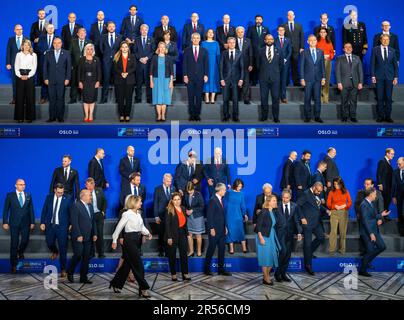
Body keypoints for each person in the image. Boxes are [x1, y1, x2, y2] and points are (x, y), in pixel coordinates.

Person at [110, 195, 152, 298]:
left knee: (127, 265)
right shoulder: (127, 214)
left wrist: (148, 233)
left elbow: (141, 227)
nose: (141, 203)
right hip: (129, 241)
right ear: (134, 203)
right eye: (140, 202)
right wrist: (115, 240)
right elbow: (118, 228)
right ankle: (143, 288)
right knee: (138, 265)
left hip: (137, 240)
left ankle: (116, 284)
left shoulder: (138, 213)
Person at [2, 179, 35, 274]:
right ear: (15, 185)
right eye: (20, 184)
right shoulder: (10, 196)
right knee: (14, 242)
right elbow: (5, 210)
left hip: (26, 223)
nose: (22, 186)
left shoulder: (28, 195)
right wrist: (5, 222)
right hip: (14, 223)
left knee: (25, 240)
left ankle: (20, 252)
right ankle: (13, 265)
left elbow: (31, 209)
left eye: (24, 184)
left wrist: (32, 222)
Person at [297, 182, 329, 275]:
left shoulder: (315, 194)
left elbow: (317, 204)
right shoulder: (306, 194)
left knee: (321, 237)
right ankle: (308, 265)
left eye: (320, 191)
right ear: (314, 187)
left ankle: (309, 252)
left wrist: (326, 210)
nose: (319, 193)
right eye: (318, 191)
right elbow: (298, 205)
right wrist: (302, 217)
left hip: (316, 222)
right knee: (307, 244)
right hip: (307, 223)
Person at [40, 183, 71, 278]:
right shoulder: (49, 197)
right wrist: (42, 222)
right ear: (55, 190)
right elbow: (44, 210)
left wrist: (71, 224)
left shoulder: (68, 198)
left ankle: (63, 269)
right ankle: (55, 251)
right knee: (49, 242)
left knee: (63, 248)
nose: (60, 194)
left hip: (62, 227)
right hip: (50, 225)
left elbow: (71, 212)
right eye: (58, 192)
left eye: (61, 193)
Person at [67, 189, 97, 284]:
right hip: (78, 236)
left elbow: (93, 221)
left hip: (88, 236)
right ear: (83, 196)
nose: (91, 197)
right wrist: (79, 234)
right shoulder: (76, 205)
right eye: (89, 195)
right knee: (78, 255)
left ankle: (83, 277)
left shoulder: (91, 206)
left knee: (86, 257)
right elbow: (74, 222)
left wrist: (95, 233)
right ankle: (70, 272)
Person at [358, 188, 389, 277]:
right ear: (371, 194)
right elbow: (365, 221)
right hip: (368, 232)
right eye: (375, 194)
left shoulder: (370, 203)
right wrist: (371, 234)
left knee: (382, 246)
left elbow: (372, 216)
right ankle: (362, 270)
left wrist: (381, 215)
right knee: (370, 250)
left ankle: (367, 261)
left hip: (374, 230)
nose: (376, 195)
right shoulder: (364, 205)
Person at [274, 189, 302, 282]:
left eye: (286, 198)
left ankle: (283, 273)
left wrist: (299, 232)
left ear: (290, 198)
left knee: (288, 254)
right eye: (283, 197)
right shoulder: (276, 205)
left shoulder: (294, 206)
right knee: (283, 252)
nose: (284, 199)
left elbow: (296, 220)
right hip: (280, 233)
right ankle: (277, 273)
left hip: (290, 233)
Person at [371, 34, 399, 123]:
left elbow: (395, 66)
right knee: (380, 98)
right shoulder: (375, 50)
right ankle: (380, 116)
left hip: (390, 78)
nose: (385, 41)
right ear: (380, 40)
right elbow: (372, 64)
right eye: (384, 39)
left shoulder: (392, 51)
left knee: (388, 98)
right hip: (378, 77)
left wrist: (396, 77)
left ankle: (388, 116)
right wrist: (373, 76)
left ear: (389, 41)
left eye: (387, 40)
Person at [204, 183, 231, 276]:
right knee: (211, 249)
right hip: (214, 230)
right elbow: (209, 216)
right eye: (224, 190)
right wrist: (211, 228)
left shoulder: (220, 200)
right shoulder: (212, 200)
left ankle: (221, 270)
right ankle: (206, 269)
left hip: (222, 230)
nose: (225, 191)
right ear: (220, 190)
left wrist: (225, 227)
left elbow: (222, 216)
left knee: (222, 250)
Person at [43, 37, 72, 123]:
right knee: (52, 99)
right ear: (53, 44)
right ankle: (52, 117)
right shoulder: (48, 53)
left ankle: (60, 117)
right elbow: (45, 67)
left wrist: (67, 78)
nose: (57, 44)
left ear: (61, 44)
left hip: (62, 80)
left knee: (60, 99)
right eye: (55, 43)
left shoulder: (66, 53)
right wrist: (45, 78)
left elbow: (68, 68)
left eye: (58, 43)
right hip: (50, 80)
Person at [165, 192, 191, 281]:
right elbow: (167, 225)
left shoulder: (183, 208)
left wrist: (187, 233)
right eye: (175, 199)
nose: (177, 201)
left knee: (184, 254)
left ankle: (185, 273)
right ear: (172, 200)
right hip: (172, 235)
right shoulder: (169, 209)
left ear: (181, 200)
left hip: (182, 234)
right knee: (172, 255)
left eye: (178, 199)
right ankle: (173, 274)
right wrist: (169, 237)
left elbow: (184, 223)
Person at [257, 34, 283, 122]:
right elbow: (258, 64)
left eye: (271, 39)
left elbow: (281, 65)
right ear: (265, 40)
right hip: (263, 78)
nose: (269, 40)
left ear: (273, 40)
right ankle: (264, 116)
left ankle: (276, 117)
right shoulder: (260, 51)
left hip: (275, 78)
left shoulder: (279, 50)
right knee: (264, 98)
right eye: (267, 39)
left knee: (275, 98)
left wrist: (275, 72)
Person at [183, 32, 209, 121]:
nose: (196, 39)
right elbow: (184, 64)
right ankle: (191, 114)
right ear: (191, 39)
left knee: (198, 97)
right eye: (194, 38)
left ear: (200, 39)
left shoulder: (204, 50)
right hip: (189, 77)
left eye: (197, 38)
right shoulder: (187, 50)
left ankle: (197, 114)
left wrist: (206, 75)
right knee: (190, 97)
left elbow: (206, 64)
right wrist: (185, 75)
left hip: (200, 77)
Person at [335, 42, 364, 122]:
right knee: (344, 101)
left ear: (352, 48)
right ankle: (344, 116)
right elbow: (337, 72)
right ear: (343, 49)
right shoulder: (339, 58)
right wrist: (339, 82)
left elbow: (360, 71)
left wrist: (361, 82)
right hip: (343, 83)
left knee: (353, 101)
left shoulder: (357, 58)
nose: (348, 48)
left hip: (355, 83)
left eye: (350, 47)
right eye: (346, 47)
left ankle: (353, 116)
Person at [300, 35, 326, 123]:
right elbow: (302, 66)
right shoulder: (304, 52)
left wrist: (323, 77)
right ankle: (307, 116)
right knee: (307, 98)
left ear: (316, 41)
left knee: (317, 99)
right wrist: (302, 78)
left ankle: (317, 116)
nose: (313, 42)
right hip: (307, 79)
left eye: (314, 40)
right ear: (308, 42)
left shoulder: (320, 52)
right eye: (311, 40)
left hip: (318, 79)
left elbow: (322, 66)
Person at [256, 195, 281, 285]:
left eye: (276, 200)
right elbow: (258, 226)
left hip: (271, 236)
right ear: (268, 202)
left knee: (272, 256)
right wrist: (261, 238)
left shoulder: (272, 211)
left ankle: (265, 277)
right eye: (274, 201)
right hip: (263, 236)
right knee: (265, 258)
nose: (275, 202)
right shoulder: (264, 211)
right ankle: (266, 278)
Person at [119, 173, 146, 255]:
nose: (139, 181)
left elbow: (143, 198)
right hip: (129, 212)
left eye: (140, 180)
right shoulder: (125, 188)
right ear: (132, 180)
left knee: (139, 229)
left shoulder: (142, 187)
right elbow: (121, 200)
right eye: (137, 180)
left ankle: (139, 249)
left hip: (139, 212)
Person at [220, 37, 244, 122]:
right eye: (229, 42)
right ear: (227, 43)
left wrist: (241, 79)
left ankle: (235, 116)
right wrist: (221, 79)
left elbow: (242, 68)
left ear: (235, 43)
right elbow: (221, 67)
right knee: (225, 99)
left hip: (236, 79)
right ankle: (226, 115)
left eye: (233, 42)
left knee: (235, 99)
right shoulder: (224, 53)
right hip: (226, 80)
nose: (231, 44)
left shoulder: (240, 53)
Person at [326, 177, 352, 255]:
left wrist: (344, 205)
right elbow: (328, 203)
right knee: (333, 232)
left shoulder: (346, 191)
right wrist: (334, 207)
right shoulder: (331, 192)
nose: (336, 185)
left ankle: (342, 250)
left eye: (337, 184)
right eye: (334, 184)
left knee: (342, 232)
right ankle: (331, 250)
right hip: (334, 213)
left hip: (343, 213)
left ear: (341, 184)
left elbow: (350, 202)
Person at [14, 39, 37, 123]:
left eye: (28, 45)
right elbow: (16, 66)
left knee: (30, 97)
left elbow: (34, 67)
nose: (26, 46)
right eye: (25, 45)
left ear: (30, 46)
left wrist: (28, 76)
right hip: (20, 76)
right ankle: (19, 117)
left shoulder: (33, 55)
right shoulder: (18, 54)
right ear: (22, 46)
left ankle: (29, 117)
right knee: (19, 97)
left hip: (30, 76)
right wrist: (20, 75)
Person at [150, 41, 174, 122]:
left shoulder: (169, 58)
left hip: (166, 80)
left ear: (165, 48)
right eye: (161, 47)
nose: (162, 48)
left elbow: (171, 71)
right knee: (157, 97)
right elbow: (151, 71)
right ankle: (159, 115)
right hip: (156, 80)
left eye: (164, 47)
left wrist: (171, 82)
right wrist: (151, 81)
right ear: (158, 48)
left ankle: (163, 115)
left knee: (164, 98)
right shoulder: (154, 57)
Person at [153, 174, 176, 257]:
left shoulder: (173, 188)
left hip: (170, 215)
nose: (169, 183)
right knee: (161, 233)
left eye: (170, 181)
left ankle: (167, 250)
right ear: (163, 180)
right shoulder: (157, 189)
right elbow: (155, 203)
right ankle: (161, 250)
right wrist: (156, 216)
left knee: (169, 233)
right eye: (167, 181)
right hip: (161, 215)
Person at [78, 43, 102, 122]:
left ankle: (91, 114)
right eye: (88, 49)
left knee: (92, 99)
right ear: (85, 50)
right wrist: (80, 82)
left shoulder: (97, 59)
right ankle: (86, 115)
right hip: (84, 81)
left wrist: (98, 81)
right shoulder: (82, 59)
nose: (89, 51)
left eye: (91, 49)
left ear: (93, 50)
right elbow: (79, 72)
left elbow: (99, 71)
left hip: (93, 81)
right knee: (85, 99)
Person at [113, 41, 136, 122]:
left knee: (129, 98)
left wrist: (127, 73)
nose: (125, 48)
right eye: (123, 47)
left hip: (130, 80)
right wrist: (121, 73)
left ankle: (127, 115)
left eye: (126, 47)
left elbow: (134, 67)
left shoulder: (132, 56)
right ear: (120, 48)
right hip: (119, 80)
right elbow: (115, 68)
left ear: (128, 48)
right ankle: (121, 115)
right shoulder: (117, 57)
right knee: (120, 98)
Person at [100, 21, 122, 103]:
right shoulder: (103, 37)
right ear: (107, 28)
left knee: (117, 80)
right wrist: (107, 55)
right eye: (110, 26)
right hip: (106, 61)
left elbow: (121, 49)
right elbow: (101, 48)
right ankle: (104, 98)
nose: (111, 28)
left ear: (115, 27)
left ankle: (117, 99)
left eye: (113, 26)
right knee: (106, 79)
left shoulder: (120, 37)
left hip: (117, 61)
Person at [224, 179, 248, 254]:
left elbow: (243, 205)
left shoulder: (241, 194)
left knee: (240, 230)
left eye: (241, 186)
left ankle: (244, 247)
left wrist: (245, 214)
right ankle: (231, 249)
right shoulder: (228, 192)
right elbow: (224, 203)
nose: (240, 188)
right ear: (235, 185)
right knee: (230, 231)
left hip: (238, 214)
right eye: (238, 186)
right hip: (229, 215)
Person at [85, 178, 107, 259]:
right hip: (89, 216)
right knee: (90, 234)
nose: (90, 187)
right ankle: (91, 253)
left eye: (92, 185)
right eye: (88, 185)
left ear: (94, 184)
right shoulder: (83, 193)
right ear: (85, 185)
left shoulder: (99, 190)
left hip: (98, 215)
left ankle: (101, 253)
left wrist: (103, 212)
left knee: (99, 234)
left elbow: (104, 201)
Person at [69, 28, 92, 104]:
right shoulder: (73, 42)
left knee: (85, 82)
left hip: (86, 66)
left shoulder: (89, 42)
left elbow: (92, 54)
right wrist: (71, 65)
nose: (82, 34)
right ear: (77, 34)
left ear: (85, 34)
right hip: (75, 66)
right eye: (80, 33)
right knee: (74, 82)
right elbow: (69, 54)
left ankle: (84, 98)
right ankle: (73, 98)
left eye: (83, 33)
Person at [134, 24, 155, 104]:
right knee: (138, 82)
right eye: (142, 29)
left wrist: (146, 58)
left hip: (148, 64)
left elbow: (153, 51)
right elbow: (134, 51)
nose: (144, 31)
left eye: (145, 29)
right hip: (139, 64)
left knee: (148, 82)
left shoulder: (151, 39)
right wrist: (140, 58)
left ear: (148, 30)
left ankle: (149, 98)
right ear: (140, 30)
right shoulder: (136, 39)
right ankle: (138, 98)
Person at [283, 11, 305, 86]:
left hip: (296, 49)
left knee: (295, 65)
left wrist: (302, 47)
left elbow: (302, 37)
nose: (290, 16)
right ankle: (286, 82)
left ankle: (296, 82)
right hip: (286, 50)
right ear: (287, 16)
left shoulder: (299, 26)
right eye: (288, 15)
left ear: (294, 16)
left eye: (291, 15)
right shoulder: (283, 26)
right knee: (286, 66)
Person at [246, 14, 270, 85]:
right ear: (255, 20)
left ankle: (263, 81)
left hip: (263, 52)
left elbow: (268, 39)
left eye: (260, 19)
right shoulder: (250, 28)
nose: (258, 21)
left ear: (262, 20)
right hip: (253, 52)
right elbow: (248, 40)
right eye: (257, 19)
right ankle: (253, 82)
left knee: (263, 67)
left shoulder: (266, 29)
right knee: (253, 67)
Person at [6, 24, 26, 104]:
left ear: (22, 30)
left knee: (24, 83)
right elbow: (8, 52)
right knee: (15, 82)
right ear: (14, 30)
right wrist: (8, 63)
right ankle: (15, 99)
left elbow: (30, 52)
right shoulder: (11, 40)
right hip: (14, 65)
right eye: (17, 29)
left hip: (24, 65)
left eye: (21, 29)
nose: (19, 30)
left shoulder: (26, 39)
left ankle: (24, 99)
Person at [184, 182, 205, 257]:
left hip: (197, 217)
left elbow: (202, 206)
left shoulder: (198, 194)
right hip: (189, 218)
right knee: (189, 235)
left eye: (191, 190)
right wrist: (186, 210)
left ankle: (199, 251)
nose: (189, 192)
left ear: (193, 188)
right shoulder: (186, 194)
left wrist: (193, 210)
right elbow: (184, 205)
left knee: (198, 235)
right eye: (188, 190)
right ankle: (191, 251)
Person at [37, 24, 55, 104]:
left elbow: (61, 47)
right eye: (49, 28)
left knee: (53, 79)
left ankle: (51, 97)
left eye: (52, 28)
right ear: (46, 29)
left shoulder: (58, 38)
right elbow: (38, 47)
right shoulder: (41, 37)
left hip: (54, 62)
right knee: (44, 79)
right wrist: (45, 52)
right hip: (43, 61)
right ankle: (43, 97)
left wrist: (51, 52)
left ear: (54, 29)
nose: (50, 29)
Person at [201, 29, 220, 104]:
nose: (210, 34)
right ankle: (206, 97)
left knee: (214, 79)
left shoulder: (216, 43)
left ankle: (212, 98)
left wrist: (219, 65)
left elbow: (218, 55)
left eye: (212, 32)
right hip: (205, 63)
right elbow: (201, 54)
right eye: (209, 32)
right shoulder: (203, 43)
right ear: (206, 34)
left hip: (214, 64)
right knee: (206, 79)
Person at [316, 27, 334, 104]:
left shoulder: (329, 42)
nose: (323, 33)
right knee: (319, 79)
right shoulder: (316, 42)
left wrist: (329, 56)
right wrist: (321, 56)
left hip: (327, 62)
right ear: (319, 33)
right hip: (318, 63)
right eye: (321, 32)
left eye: (324, 32)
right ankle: (319, 97)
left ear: (326, 33)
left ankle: (325, 97)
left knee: (326, 79)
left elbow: (332, 52)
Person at [274, 25, 292, 103]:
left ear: (284, 31)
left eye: (282, 30)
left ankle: (283, 97)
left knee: (284, 80)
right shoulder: (274, 40)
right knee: (277, 80)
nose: (281, 31)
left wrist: (285, 59)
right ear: (277, 31)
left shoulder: (288, 40)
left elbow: (290, 51)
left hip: (285, 63)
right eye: (279, 30)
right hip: (276, 63)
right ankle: (276, 97)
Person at [235, 26, 253, 104]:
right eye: (238, 32)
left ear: (244, 32)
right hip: (235, 65)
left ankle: (246, 98)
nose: (240, 33)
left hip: (246, 65)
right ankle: (237, 97)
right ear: (236, 33)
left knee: (246, 81)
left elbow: (251, 54)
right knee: (236, 81)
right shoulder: (233, 41)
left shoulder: (248, 41)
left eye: (242, 32)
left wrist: (251, 64)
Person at [377, 148, 395, 213]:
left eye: (393, 154)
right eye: (392, 154)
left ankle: (386, 214)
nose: (393, 155)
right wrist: (380, 184)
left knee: (387, 200)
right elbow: (379, 173)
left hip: (388, 186)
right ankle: (383, 216)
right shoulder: (382, 161)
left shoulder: (388, 162)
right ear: (387, 153)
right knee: (384, 201)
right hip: (384, 186)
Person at [392, 157, 404, 236]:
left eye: (399, 163)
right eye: (397, 163)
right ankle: (401, 231)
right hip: (399, 196)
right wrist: (393, 196)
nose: (398, 164)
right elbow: (393, 185)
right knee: (400, 213)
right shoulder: (395, 171)